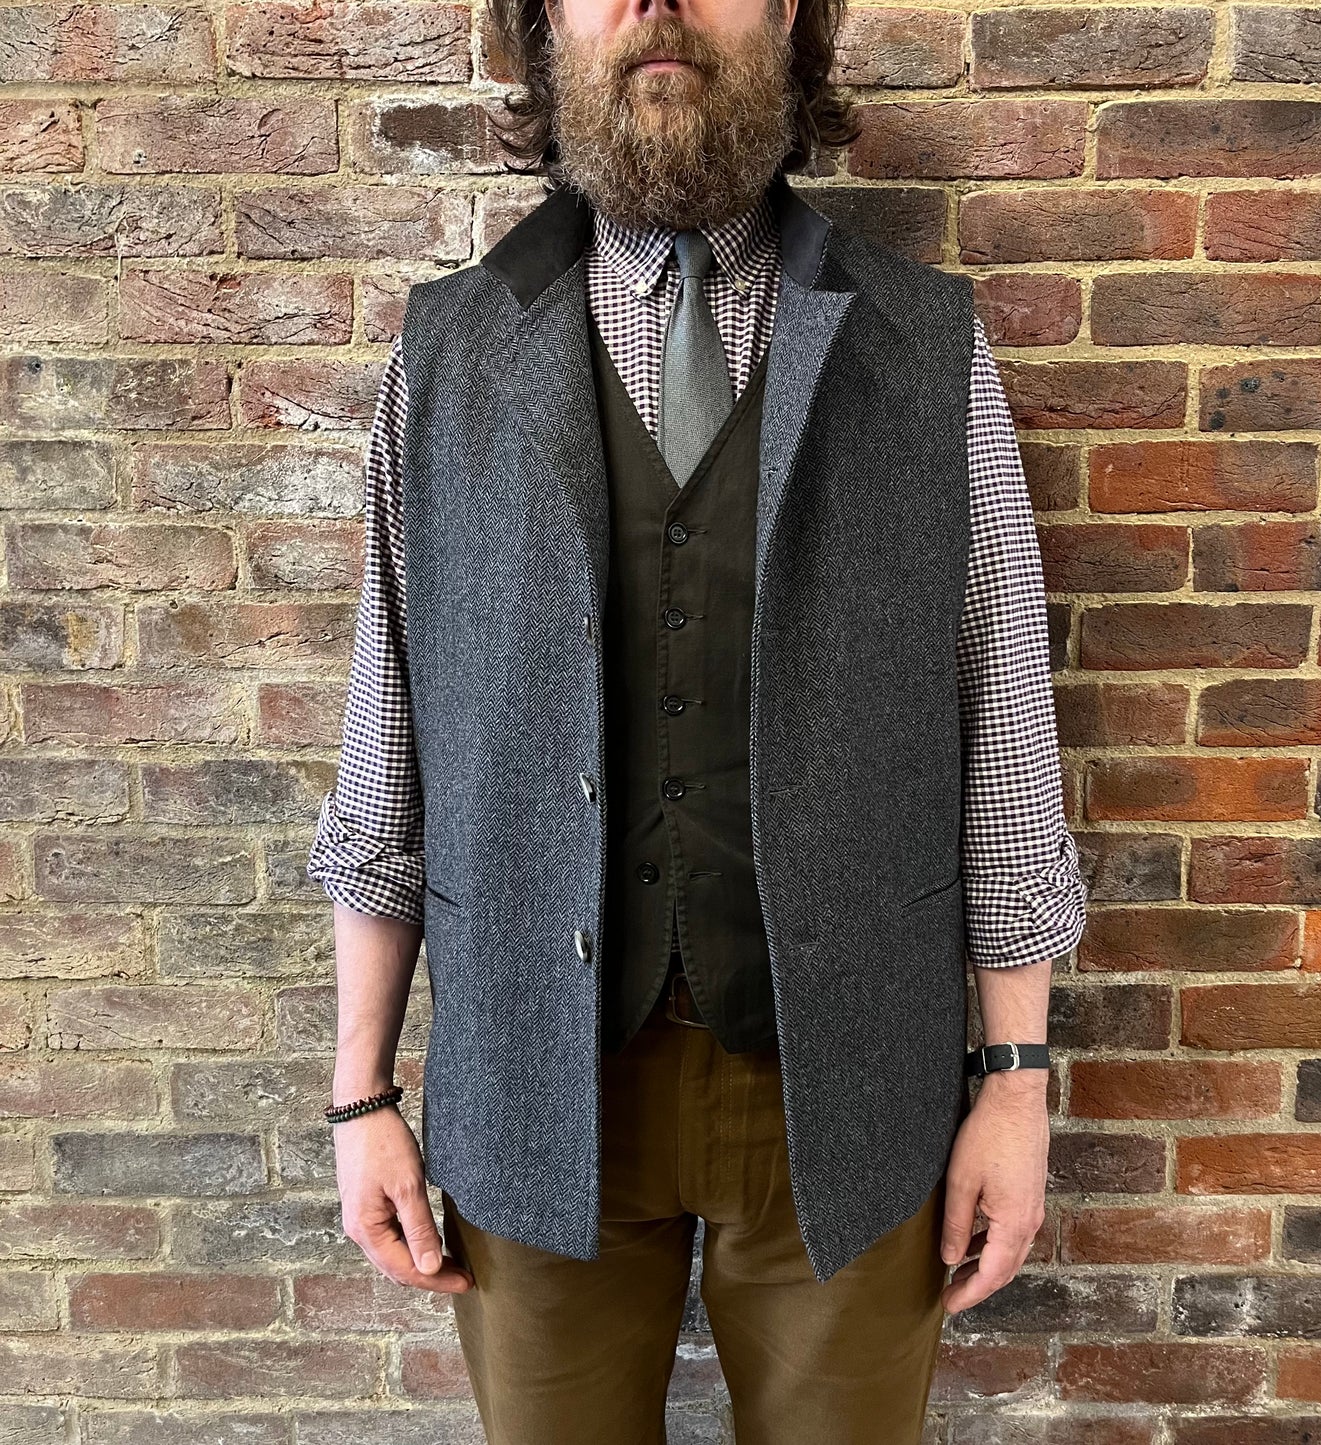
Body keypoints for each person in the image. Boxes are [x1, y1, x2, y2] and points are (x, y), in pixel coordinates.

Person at [307, 0, 1089, 1440]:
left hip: (845, 1091)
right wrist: (359, 1093)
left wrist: (1015, 1078)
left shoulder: (922, 350)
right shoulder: (449, 356)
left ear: (791, 17)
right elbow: (390, 733)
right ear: (544, 28)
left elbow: (1004, 730)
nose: (658, 3)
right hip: (533, 1085)